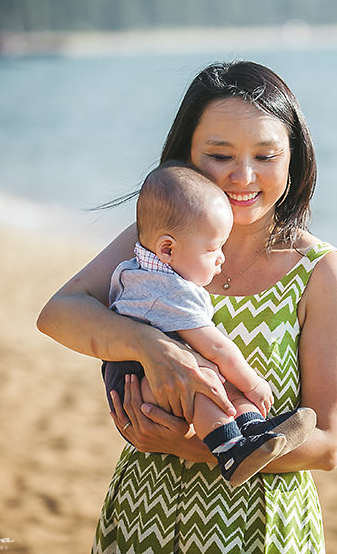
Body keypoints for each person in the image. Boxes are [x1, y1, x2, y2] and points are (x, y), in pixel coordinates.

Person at [37, 60, 337, 553]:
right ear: (186, 156)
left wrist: (193, 446)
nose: (243, 175)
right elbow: (59, 313)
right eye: (219, 155)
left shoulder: (322, 273)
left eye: (266, 155)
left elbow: (328, 445)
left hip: (257, 530)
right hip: (142, 513)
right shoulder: (157, 244)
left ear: (293, 159)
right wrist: (149, 345)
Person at [102, 161, 317, 487]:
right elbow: (216, 347)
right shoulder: (166, 291)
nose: (221, 258)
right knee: (206, 382)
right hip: (138, 384)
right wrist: (253, 384)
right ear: (167, 249)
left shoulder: (141, 269)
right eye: (213, 248)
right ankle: (230, 450)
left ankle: (253, 429)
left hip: (142, 376)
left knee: (220, 382)